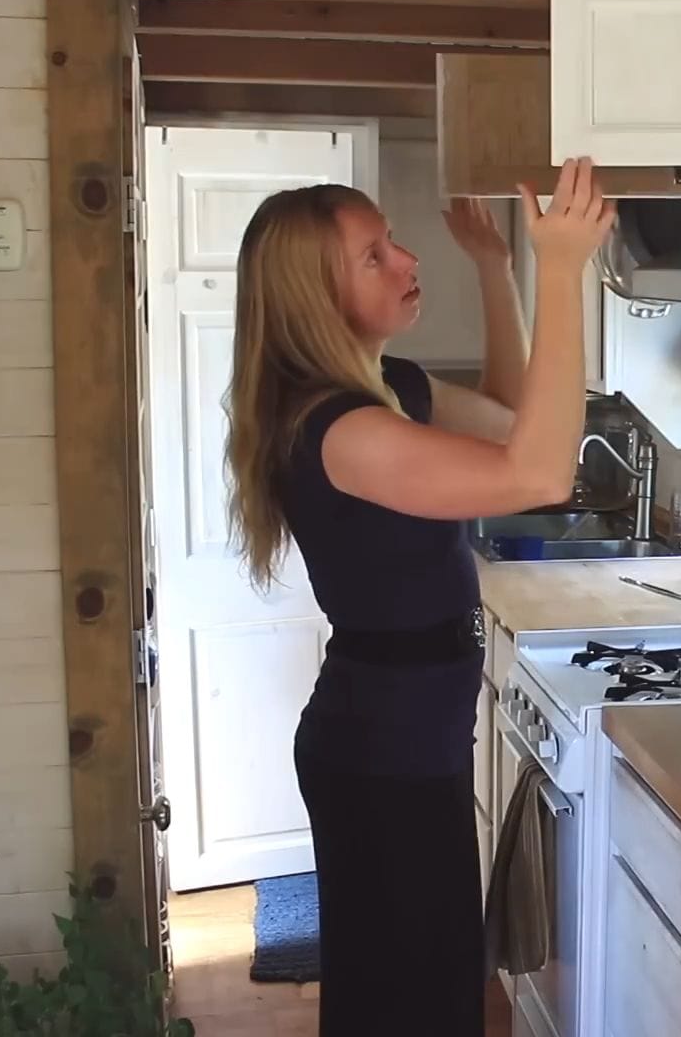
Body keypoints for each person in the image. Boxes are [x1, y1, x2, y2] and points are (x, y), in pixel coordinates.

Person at [223, 158, 615, 1034]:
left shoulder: (389, 388)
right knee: (412, 1002)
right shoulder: (339, 429)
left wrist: (495, 266)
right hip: (380, 756)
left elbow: (512, 421)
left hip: (408, 742)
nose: (406, 260)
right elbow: (540, 472)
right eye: (374, 256)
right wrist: (560, 271)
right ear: (316, 298)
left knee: (417, 993)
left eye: (392, 242)